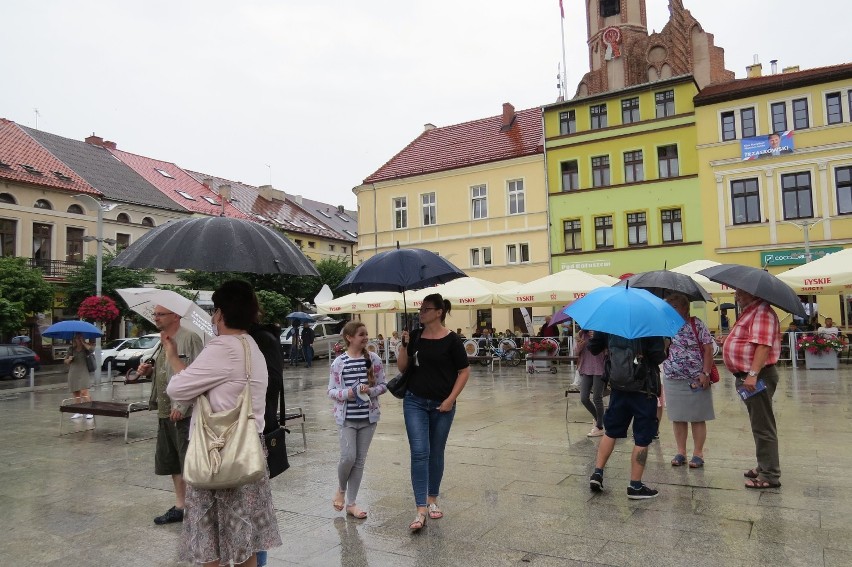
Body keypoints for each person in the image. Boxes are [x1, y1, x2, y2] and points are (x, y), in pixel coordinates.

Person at [165, 280, 282, 566]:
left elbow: (178, 390)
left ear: (219, 314)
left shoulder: (222, 347)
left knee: (210, 544)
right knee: (246, 544)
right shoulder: (251, 345)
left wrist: (171, 356)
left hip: (218, 457)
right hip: (249, 453)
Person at [398, 293, 470, 531]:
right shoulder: (416, 336)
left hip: (442, 405)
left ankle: (432, 500)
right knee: (419, 452)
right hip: (415, 401)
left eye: (426, 309)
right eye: (420, 309)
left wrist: (450, 399)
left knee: (436, 452)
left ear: (439, 312)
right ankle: (420, 509)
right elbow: (403, 368)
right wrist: (404, 345)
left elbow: (463, 372)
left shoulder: (452, 340)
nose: (421, 313)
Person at [136, 305, 204, 525]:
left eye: (160, 314)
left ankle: (196, 508)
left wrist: (182, 406)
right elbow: (166, 371)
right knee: (173, 462)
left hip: (183, 413)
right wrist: (148, 372)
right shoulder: (161, 340)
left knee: (189, 463)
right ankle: (180, 506)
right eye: (155, 314)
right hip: (165, 410)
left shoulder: (190, 338)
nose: (155, 317)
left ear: (175, 316)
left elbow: (196, 374)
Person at [587, 332, 667, 499]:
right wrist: (665, 346)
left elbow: (593, 348)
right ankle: (635, 486)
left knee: (611, 431)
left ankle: (597, 473)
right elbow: (658, 356)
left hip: (618, 387)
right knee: (642, 437)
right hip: (644, 389)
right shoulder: (649, 323)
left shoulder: (610, 323)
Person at [722, 287, 782, 490]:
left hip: (757, 377)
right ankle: (763, 465)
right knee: (758, 423)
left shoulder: (762, 312)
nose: (737, 296)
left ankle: (769, 475)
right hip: (750, 376)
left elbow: (763, 346)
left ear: (754, 293)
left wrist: (753, 374)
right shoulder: (751, 311)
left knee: (763, 426)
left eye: (741, 293)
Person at [328, 321, 388, 519]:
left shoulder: (374, 359)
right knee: (348, 457)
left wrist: (370, 391)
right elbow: (332, 391)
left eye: (366, 334)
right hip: (346, 419)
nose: (365, 338)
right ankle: (341, 490)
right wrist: (349, 393)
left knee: (360, 461)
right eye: (361, 334)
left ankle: (352, 504)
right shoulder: (339, 363)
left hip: (368, 419)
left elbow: (383, 385)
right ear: (349, 337)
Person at [662, 294, 716, 469]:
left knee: (698, 417)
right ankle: (681, 452)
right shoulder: (666, 326)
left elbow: (708, 349)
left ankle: (698, 453)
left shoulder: (696, 324)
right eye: (670, 306)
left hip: (695, 377)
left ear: (686, 307)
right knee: (678, 417)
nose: (673, 309)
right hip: (672, 377)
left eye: (676, 305)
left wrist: (705, 373)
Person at [247, 322, 283, 567]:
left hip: (256, 429)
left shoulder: (263, 339)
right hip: (238, 432)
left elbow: (272, 383)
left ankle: (258, 562)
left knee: (254, 506)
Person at [575, 328, 606, 437]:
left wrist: (597, 339)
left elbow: (607, 350)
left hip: (599, 368)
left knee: (597, 398)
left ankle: (600, 426)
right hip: (585, 368)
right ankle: (600, 419)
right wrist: (580, 344)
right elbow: (576, 351)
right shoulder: (581, 334)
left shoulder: (601, 332)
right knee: (584, 398)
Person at [64, 334, 93, 420]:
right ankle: (78, 411)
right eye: (76, 338)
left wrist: (83, 343)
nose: (78, 340)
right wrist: (69, 359)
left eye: (80, 338)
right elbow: (65, 361)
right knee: (76, 392)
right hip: (73, 372)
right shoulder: (71, 349)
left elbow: (91, 350)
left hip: (83, 372)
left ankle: (90, 411)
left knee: (84, 392)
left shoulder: (86, 348)